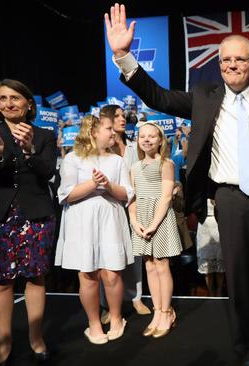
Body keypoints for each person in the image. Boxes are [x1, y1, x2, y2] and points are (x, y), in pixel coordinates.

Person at [105, 5, 249, 366]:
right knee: (238, 280)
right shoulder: (204, 97)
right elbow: (158, 96)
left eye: (240, 59)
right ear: (218, 64)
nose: (232, 65)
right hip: (230, 200)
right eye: (225, 60)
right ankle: (247, 348)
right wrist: (123, 56)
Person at [0, 79, 57, 364]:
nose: (8, 103)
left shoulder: (43, 135)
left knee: (35, 278)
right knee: (0, 283)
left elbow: (47, 173)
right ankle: (4, 343)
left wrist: (29, 150)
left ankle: (36, 338)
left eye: (15, 97)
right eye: (2, 98)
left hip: (35, 216)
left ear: (29, 103)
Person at [55, 115, 133, 344]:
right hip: (82, 221)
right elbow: (66, 194)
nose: (113, 133)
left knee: (112, 273)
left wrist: (108, 185)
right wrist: (93, 184)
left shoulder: (117, 161)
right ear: (93, 132)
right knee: (88, 275)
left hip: (110, 219)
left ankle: (117, 317)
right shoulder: (73, 158)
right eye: (109, 129)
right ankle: (94, 323)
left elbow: (126, 194)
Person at [128, 121, 183, 338]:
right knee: (149, 266)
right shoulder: (133, 167)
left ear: (160, 140)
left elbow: (167, 196)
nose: (147, 139)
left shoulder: (166, 163)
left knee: (161, 265)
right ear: (138, 140)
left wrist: (153, 225)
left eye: (152, 136)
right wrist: (134, 220)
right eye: (143, 136)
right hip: (141, 218)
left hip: (159, 218)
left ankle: (167, 312)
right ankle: (157, 312)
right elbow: (131, 196)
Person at [98, 104, 151, 325]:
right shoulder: (100, 147)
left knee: (135, 254)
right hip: (107, 205)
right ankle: (107, 304)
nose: (122, 119)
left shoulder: (132, 146)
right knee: (106, 257)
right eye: (117, 116)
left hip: (134, 203)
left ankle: (136, 297)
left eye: (123, 115)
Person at [195, 198, 225, 296]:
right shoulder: (201, 187)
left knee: (220, 259)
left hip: (219, 223)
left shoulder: (220, 186)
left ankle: (220, 291)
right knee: (206, 260)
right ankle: (211, 292)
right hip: (204, 223)